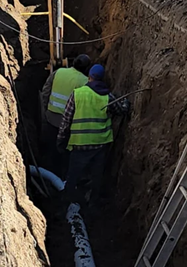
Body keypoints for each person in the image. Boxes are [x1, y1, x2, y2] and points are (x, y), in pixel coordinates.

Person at [57, 64, 127, 206]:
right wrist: (126, 103)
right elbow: (121, 109)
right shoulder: (107, 96)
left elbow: (66, 120)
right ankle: (92, 205)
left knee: (73, 175)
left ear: (89, 77)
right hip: (100, 144)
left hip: (80, 144)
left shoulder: (77, 94)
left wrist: (61, 139)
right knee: (97, 176)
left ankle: (66, 203)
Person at [39, 54, 91, 171]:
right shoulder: (84, 81)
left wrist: (46, 110)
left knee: (49, 148)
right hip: (69, 123)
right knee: (64, 152)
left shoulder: (59, 72)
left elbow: (46, 91)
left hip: (51, 117)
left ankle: (47, 170)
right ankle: (61, 175)